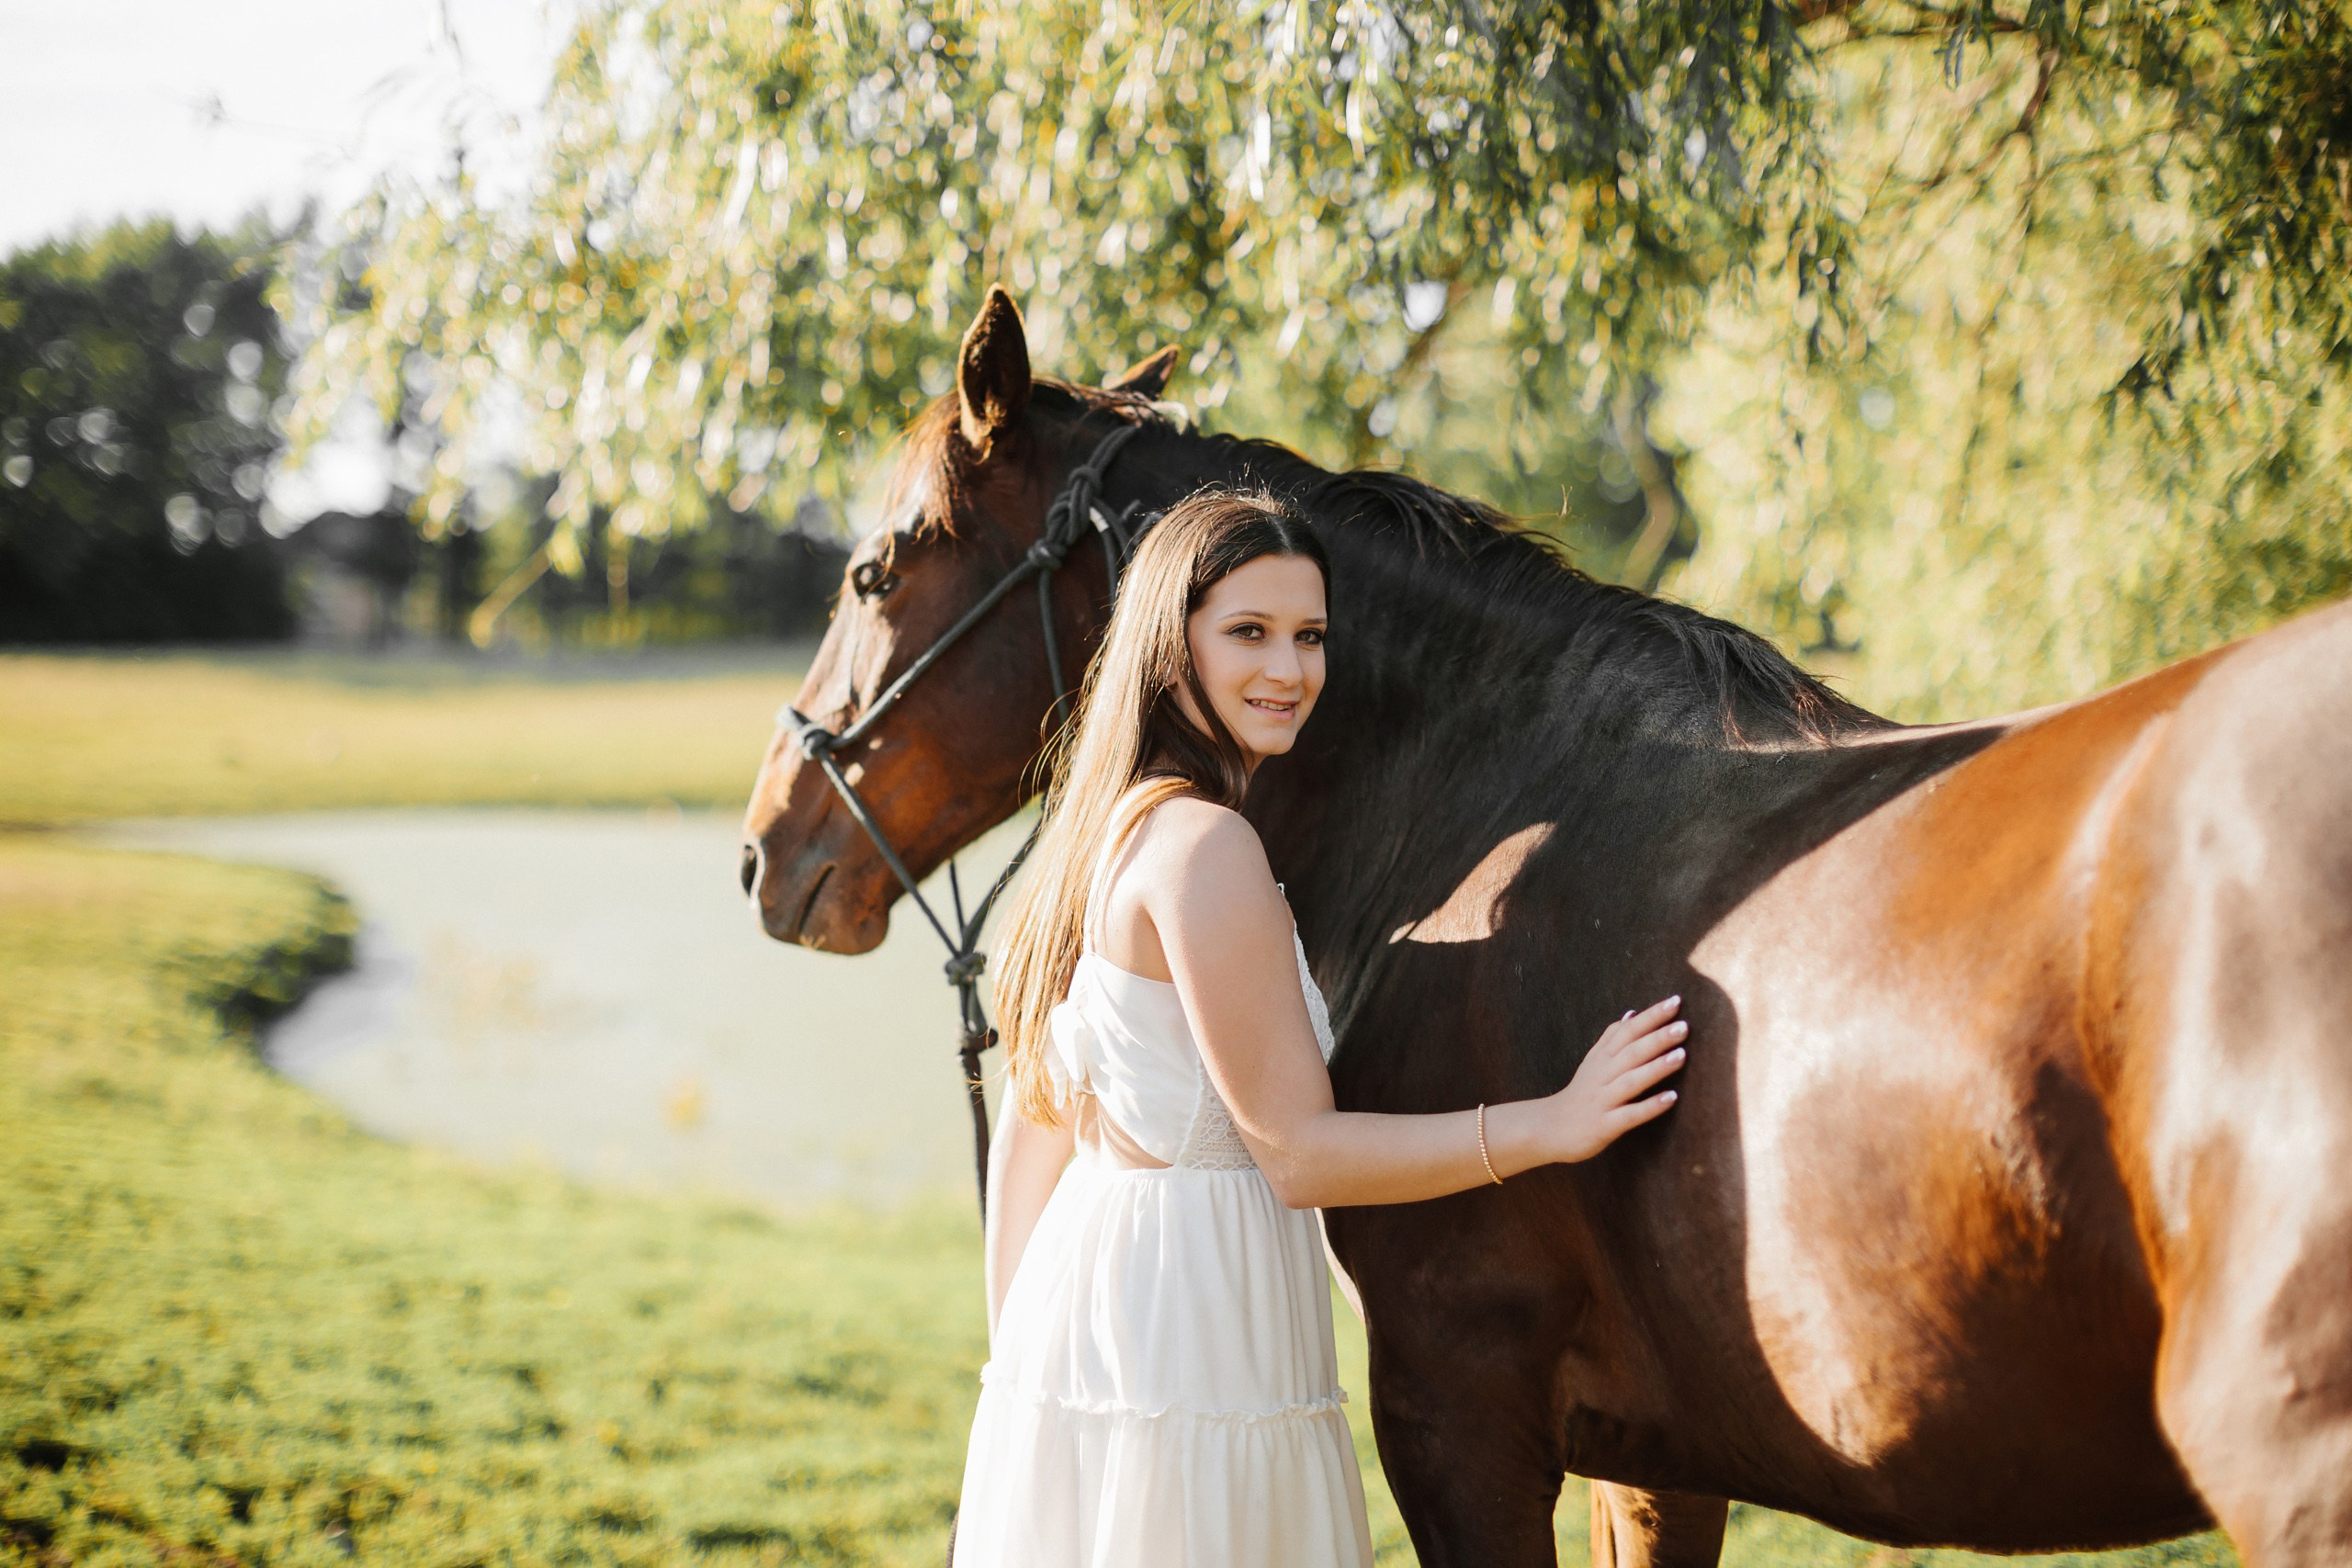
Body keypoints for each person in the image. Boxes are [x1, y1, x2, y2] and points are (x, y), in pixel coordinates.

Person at [951, 489, 1689, 1566]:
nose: (1289, 671)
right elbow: (1296, 1154)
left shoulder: (1105, 831)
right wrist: (1552, 1123)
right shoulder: (1206, 849)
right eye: (1247, 633)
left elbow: (1032, 1137)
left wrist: (1024, 1387)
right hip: (1191, 1331)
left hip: (1094, 1314)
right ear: (1171, 645)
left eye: (1309, 636)